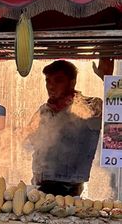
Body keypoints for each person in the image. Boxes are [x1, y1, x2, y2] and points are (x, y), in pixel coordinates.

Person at [26, 59, 110, 197]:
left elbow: (116, 114)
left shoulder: (91, 107)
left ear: (72, 82)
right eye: (48, 81)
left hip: (70, 190)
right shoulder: (44, 111)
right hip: (39, 185)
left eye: (58, 81)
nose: (51, 86)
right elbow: (31, 139)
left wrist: (107, 79)